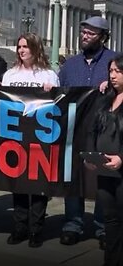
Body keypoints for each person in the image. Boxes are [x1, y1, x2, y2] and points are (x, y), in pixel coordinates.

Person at [59, 16, 117, 249]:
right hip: (74, 130)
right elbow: (59, 94)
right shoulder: (70, 65)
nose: (84, 36)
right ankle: (72, 224)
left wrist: (112, 85)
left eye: (90, 34)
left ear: (103, 37)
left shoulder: (115, 61)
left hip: (105, 131)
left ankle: (103, 226)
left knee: (104, 179)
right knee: (72, 177)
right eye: (83, 32)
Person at [1, 32, 59, 248]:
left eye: (26, 47)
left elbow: (56, 102)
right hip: (15, 134)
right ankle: (19, 226)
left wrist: (51, 92)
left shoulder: (48, 75)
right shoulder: (10, 75)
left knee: (37, 184)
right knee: (18, 183)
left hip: (39, 135)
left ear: (36, 49)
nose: (21, 51)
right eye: (19, 47)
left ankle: (36, 228)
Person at [83, 53, 123, 266]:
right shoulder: (105, 99)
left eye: (118, 71)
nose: (113, 75)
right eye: (111, 71)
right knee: (111, 220)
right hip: (105, 171)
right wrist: (90, 155)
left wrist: (121, 158)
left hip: (121, 171)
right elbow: (92, 131)